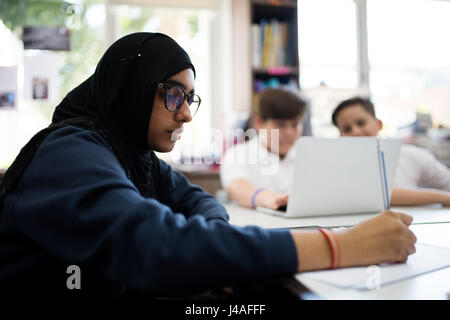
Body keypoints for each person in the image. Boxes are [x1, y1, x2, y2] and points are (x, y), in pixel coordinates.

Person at [0, 33, 416, 298]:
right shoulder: (71, 151)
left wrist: (210, 250)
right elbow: (155, 246)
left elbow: (197, 200)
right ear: (132, 90)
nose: (186, 115)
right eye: (173, 96)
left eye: (189, 99)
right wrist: (341, 245)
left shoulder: (137, 157)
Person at [332, 96, 450, 206]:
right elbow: (380, 195)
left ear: (379, 124)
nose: (355, 132)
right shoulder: (339, 168)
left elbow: (446, 182)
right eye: (347, 129)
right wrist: (442, 198)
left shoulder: (412, 155)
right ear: (341, 135)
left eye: (361, 123)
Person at [221, 88, 306, 210]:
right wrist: (270, 199)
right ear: (259, 123)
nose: (289, 132)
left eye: (295, 124)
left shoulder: (308, 156)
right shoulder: (237, 155)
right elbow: (236, 186)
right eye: (280, 125)